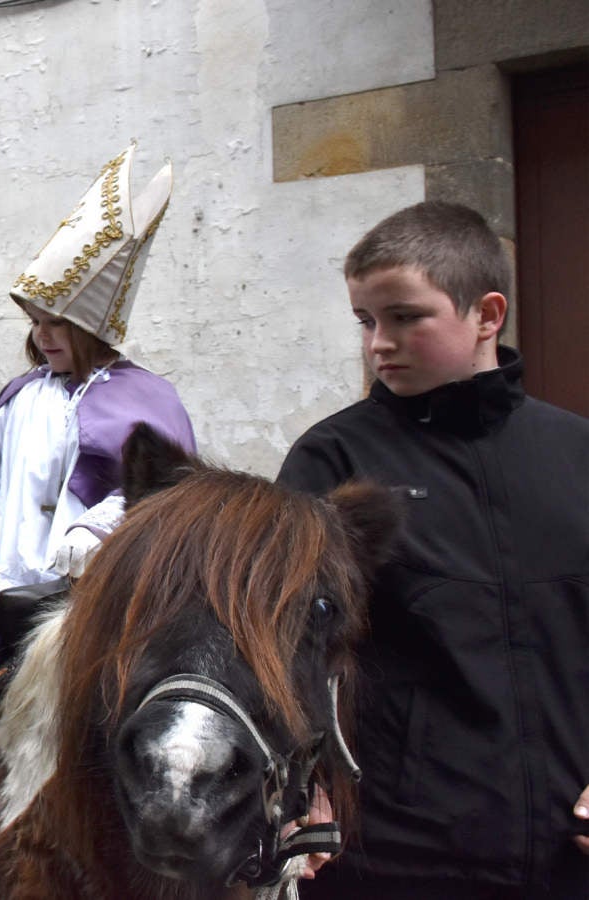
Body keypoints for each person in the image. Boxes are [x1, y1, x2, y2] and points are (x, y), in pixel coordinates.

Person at [0, 145, 198, 895]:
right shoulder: (21, 396)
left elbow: (158, 494)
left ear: (94, 323)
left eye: (59, 322)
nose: (45, 335)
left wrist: (96, 536)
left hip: (89, 607)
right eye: (36, 321)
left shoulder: (150, 398)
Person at [278, 201, 589, 899]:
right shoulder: (334, 460)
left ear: (486, 315)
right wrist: (307, 785)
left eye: (405, 317)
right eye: (366, 321)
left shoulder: (577, 454)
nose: (378, 343)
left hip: (571, 851)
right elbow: (284, 642)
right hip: (398, 854)